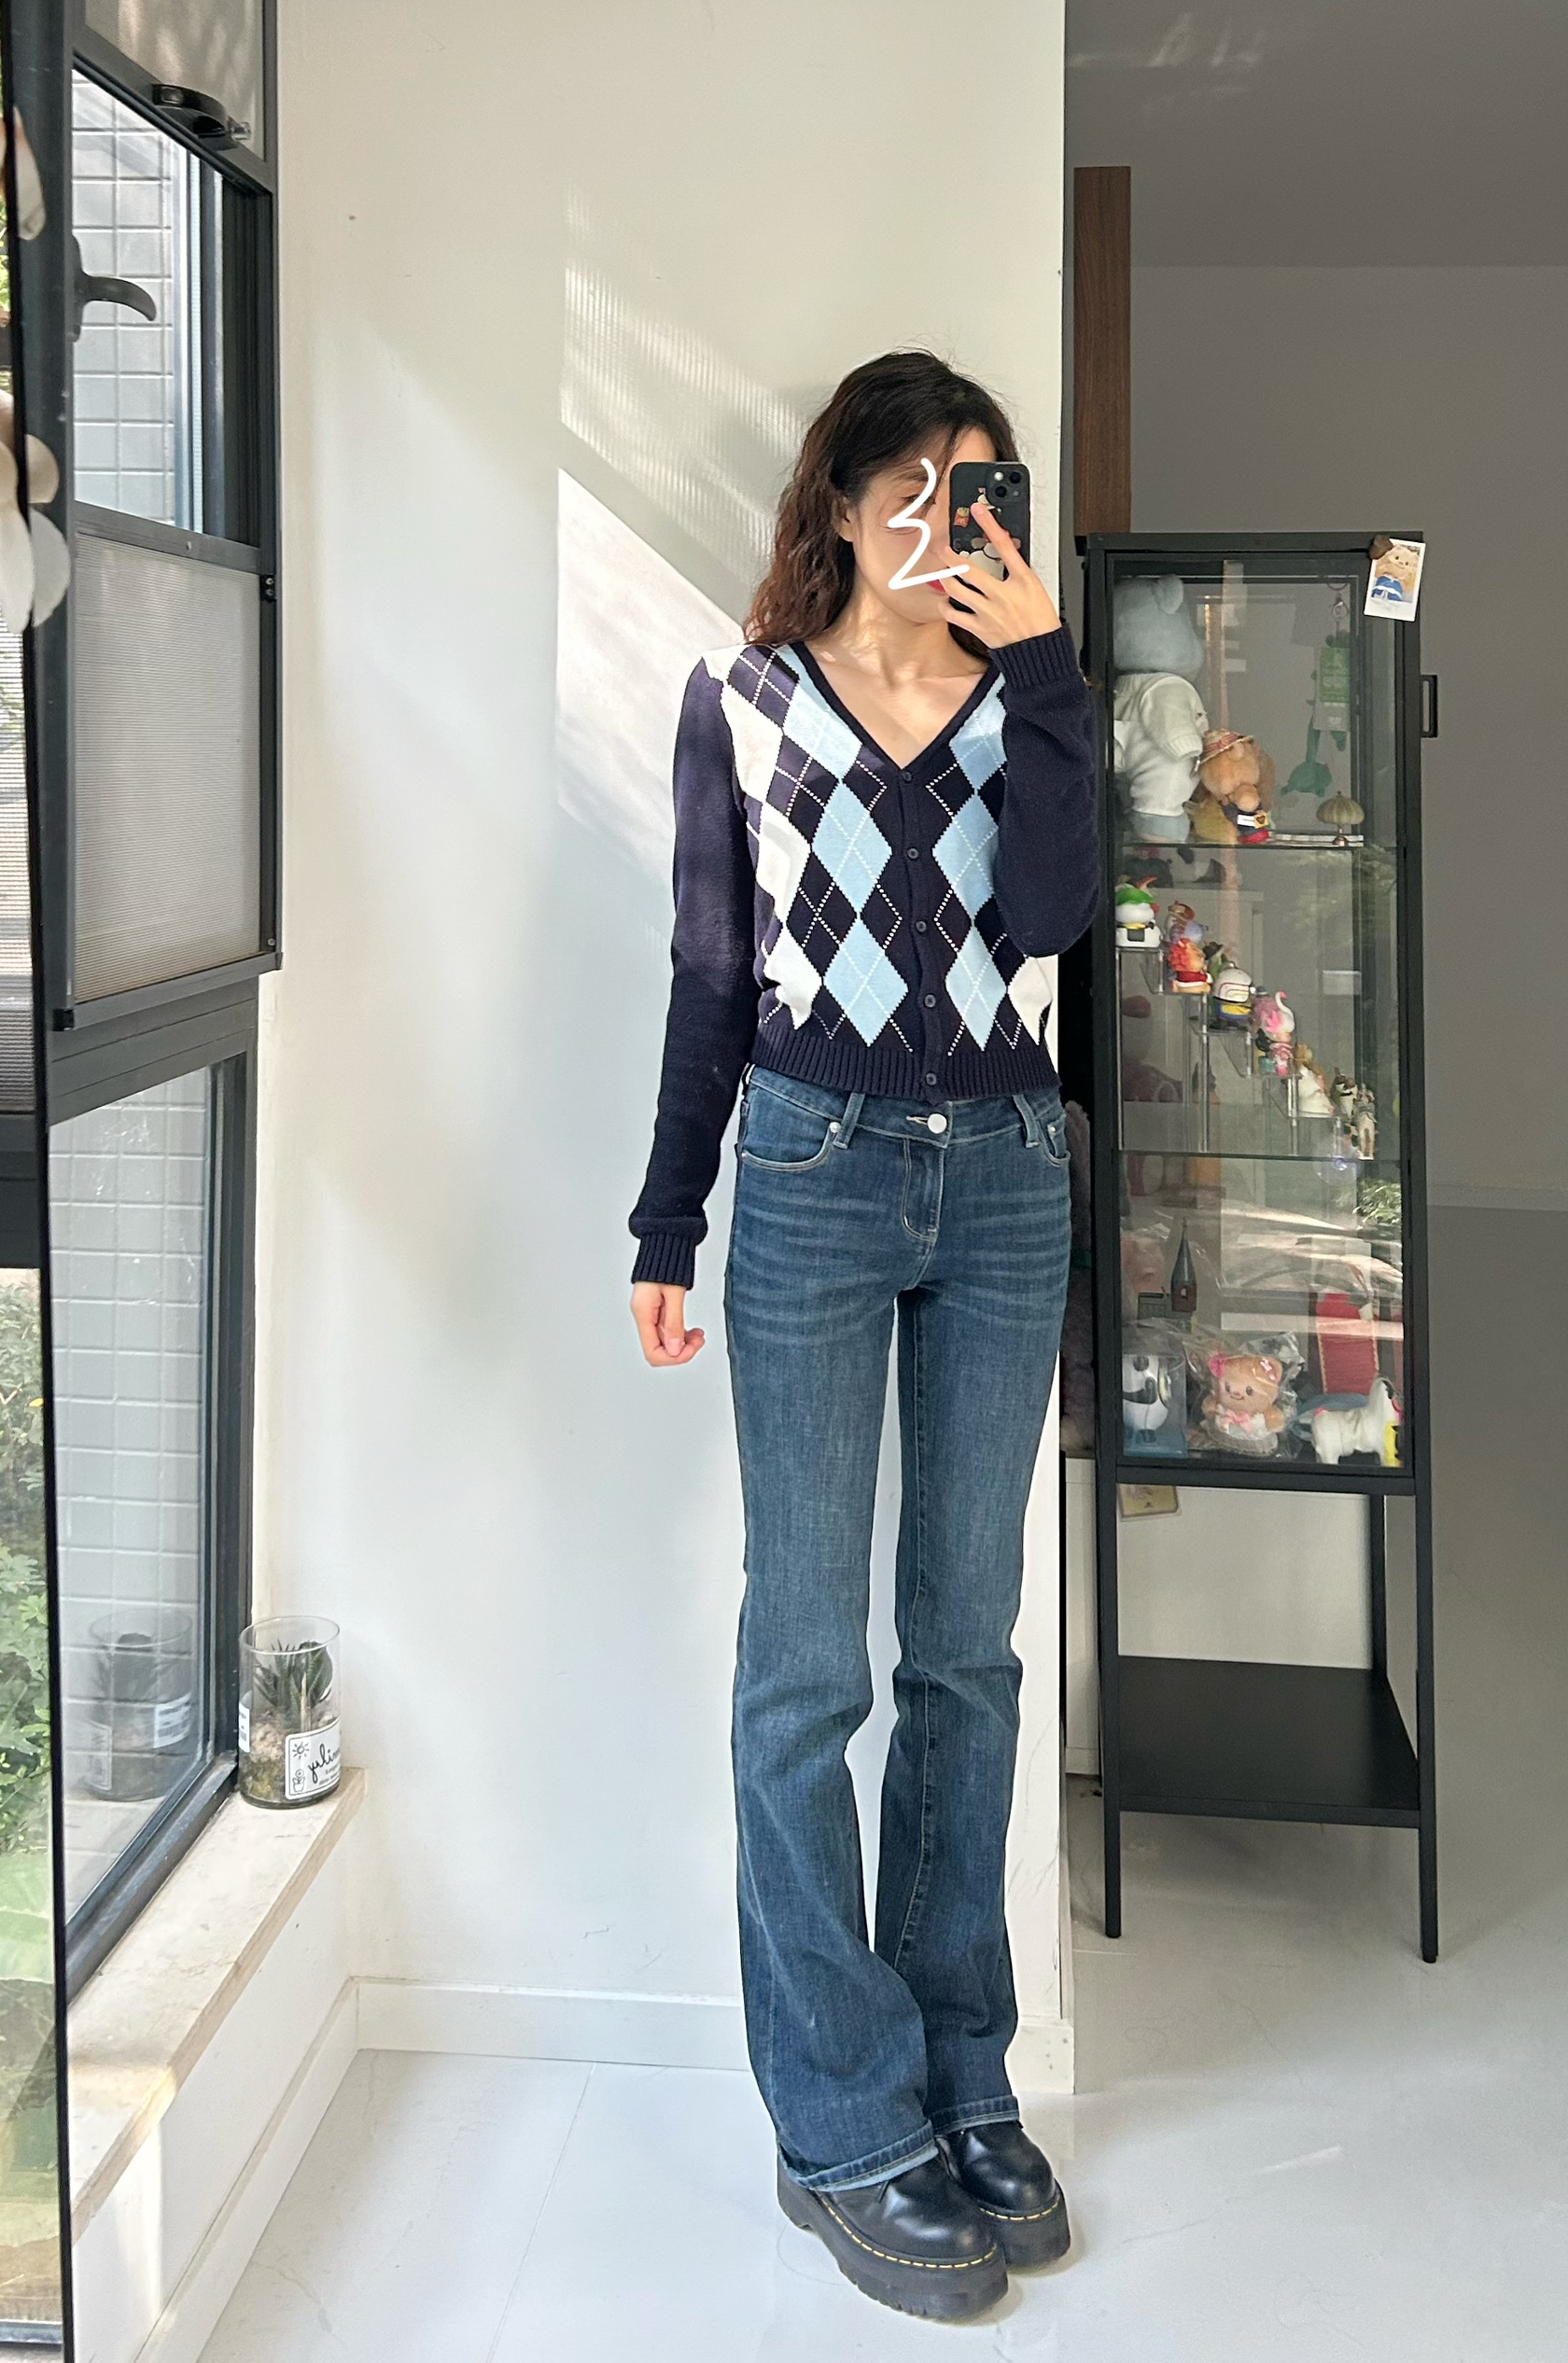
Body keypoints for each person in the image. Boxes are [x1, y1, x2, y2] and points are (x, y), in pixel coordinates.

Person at [627, 349, 1099, 2324]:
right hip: (811, 1177)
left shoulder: (1027, 701)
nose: (938, 524)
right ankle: (840, 2115)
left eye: (972, 490)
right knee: (804, 1667)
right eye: (906, 489)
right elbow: (710, 975)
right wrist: (669, 1215)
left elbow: (1054, 919)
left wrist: (1047, 664)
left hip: (1006, 1178)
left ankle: (962, 2068)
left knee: (968, 1655)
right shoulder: (741, 706)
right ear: (834, 503)